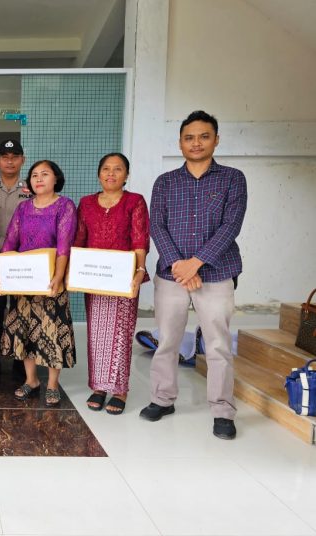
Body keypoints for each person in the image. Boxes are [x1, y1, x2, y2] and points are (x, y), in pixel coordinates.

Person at [141, 110, 247, 440]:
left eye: (203, 136)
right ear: (180, 143)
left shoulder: (233, 179)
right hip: (172, 275)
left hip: (216, 274)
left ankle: (222, 410)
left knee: (217, 345)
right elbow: (156, 225)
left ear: (215, 139)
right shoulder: (165, 182)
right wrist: (179, 265)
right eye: (189, 137)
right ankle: (162, 398)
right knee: (167, 341)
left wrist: (196, 263)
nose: (196, 142)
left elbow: (231, 226)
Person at [73, 153, 149, 415]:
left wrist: (139, 270)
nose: (111, 174)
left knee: (121, 333)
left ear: (126, 175)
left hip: (123, 278)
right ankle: (99, 386)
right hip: (94, 278)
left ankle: (120, 390)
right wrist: (75, 272)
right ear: (98, 174)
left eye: (118, 170)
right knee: (97, 333)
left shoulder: (134, 202)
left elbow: (140, 240)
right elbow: (80, 239)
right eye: (106, 169)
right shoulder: (86, 204)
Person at [0, 160, 77, 407]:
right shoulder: (23, 208)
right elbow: (10, 242)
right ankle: (31, 380)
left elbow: (64, 245)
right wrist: (3, 273)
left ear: (56, 179)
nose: (38, 179)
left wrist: (58, 276)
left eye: (45, 174)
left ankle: (52, 384)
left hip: (50, 281)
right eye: (34, 175)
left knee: (51, 332)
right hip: (24, 282)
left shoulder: (65, 206)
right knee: (25, 332)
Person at [0, 140, 30, 378]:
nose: (9, 160)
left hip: (24, 266)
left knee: (23, 314)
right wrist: (3, 248)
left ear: (23, 159)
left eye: (14, 156)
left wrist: (15, 251)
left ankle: (22, 363)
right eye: (5, 156)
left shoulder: (33, 188)